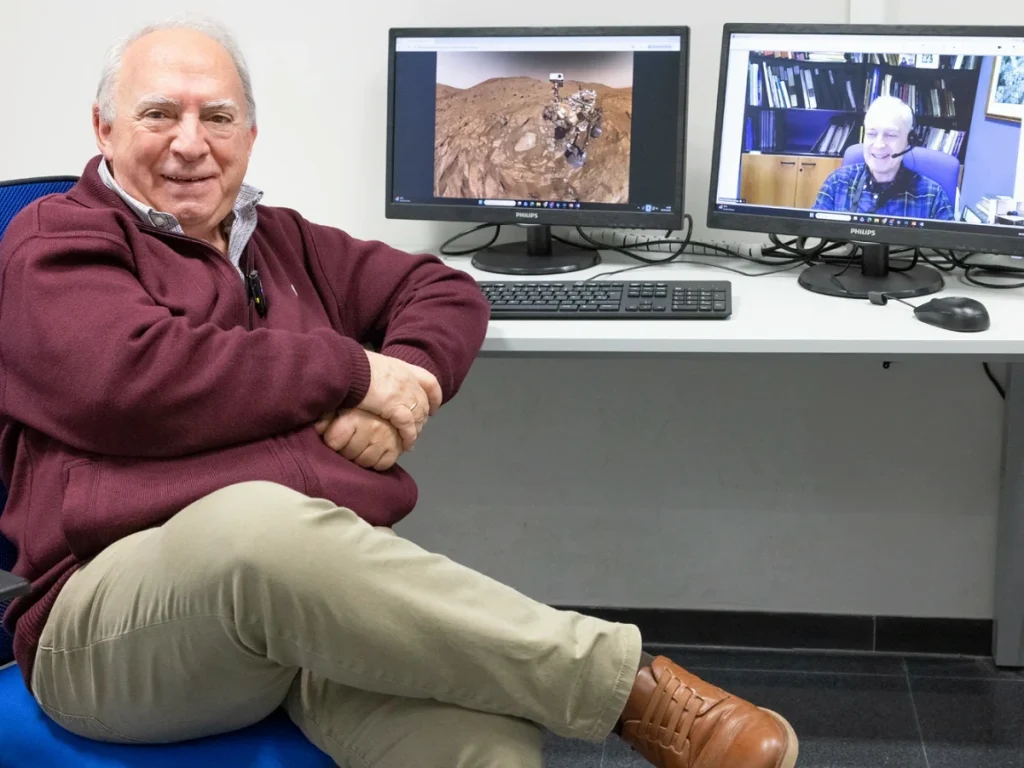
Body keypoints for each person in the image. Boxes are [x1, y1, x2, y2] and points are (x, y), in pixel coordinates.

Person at [0, 17, 799, 768]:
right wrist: (353, 372)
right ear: (103, 129)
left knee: (486, 739)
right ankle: (629, 692)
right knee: (257, 528)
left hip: (302, 608)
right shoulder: (57, 238)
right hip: (110, 626)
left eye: (216, 117)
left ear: (249, 135)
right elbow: (131, 381)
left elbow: (443, 291)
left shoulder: (281, 241)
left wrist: (408, 382)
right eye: (157, 115)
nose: (189, 144)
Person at [812, 94, 955, 221]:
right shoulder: (837, 182)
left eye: (890, 135)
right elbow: (813, 241)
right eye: (871, 134)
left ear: (909, 140)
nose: (879, 145)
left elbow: (948, 248)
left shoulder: (932, 196)